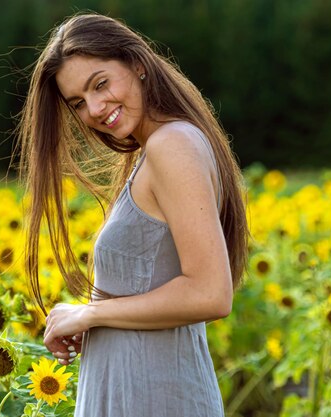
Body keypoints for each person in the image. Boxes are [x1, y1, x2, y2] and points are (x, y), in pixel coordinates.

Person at [16, 12, 248, 417]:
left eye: (100, 84)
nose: (94, 108)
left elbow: (210, 292)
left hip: (154, 396)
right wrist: (93, 322)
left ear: (137, 65)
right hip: (138, 390)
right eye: (78, 102)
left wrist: (90, 314)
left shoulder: (171, 145)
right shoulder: (158, 148)